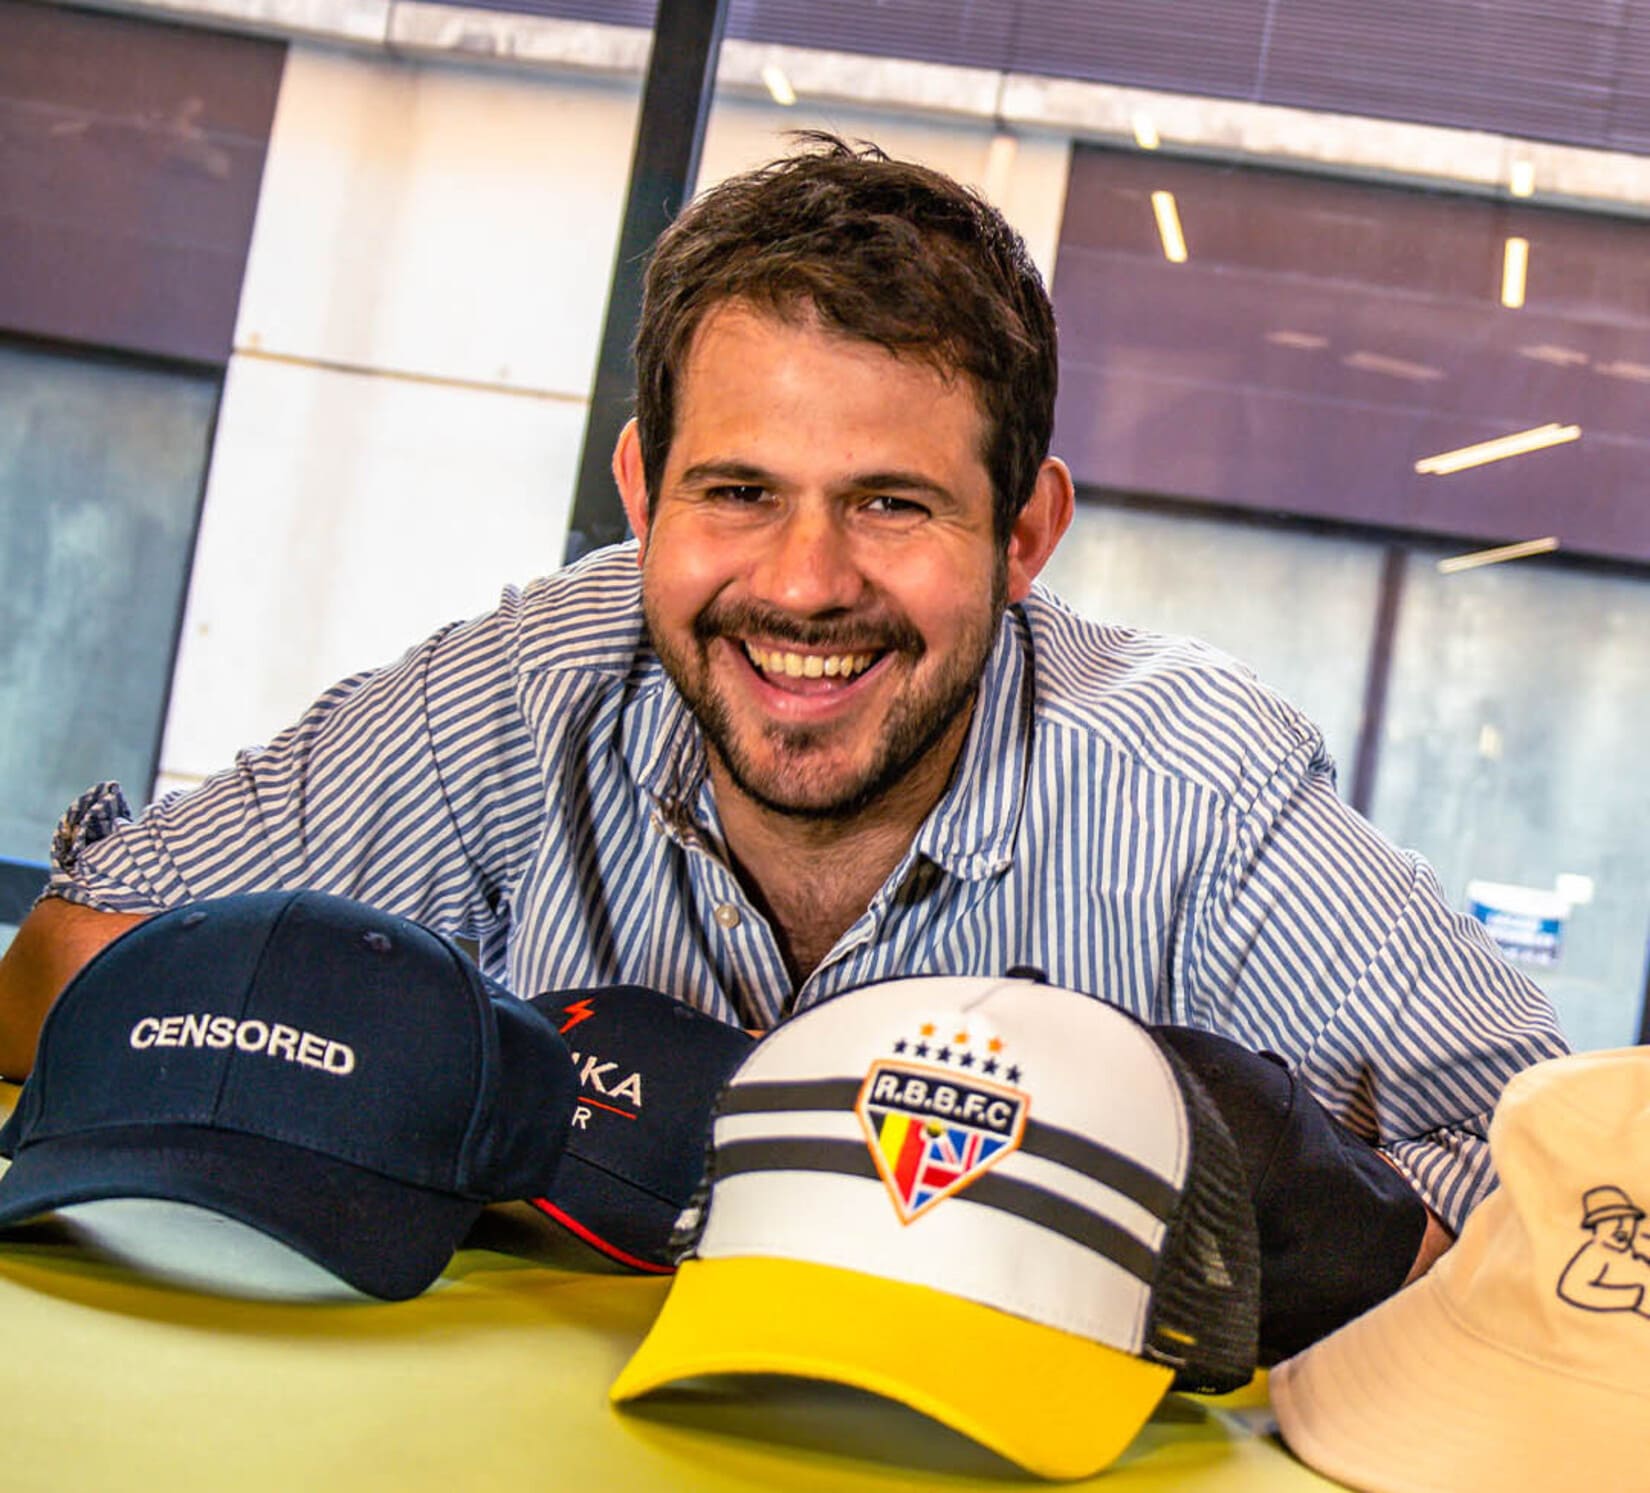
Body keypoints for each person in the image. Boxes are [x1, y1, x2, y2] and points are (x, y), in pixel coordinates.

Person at [0, 134, 1565, 1284]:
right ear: (640, 492)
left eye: (890, 503)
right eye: (736, 491)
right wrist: (452, 1074)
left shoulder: (1194, 789)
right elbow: (64, 965)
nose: (804, 586)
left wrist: (1178, 1203)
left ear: (1023, 533)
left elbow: (1576, 1209)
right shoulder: (533, 681)